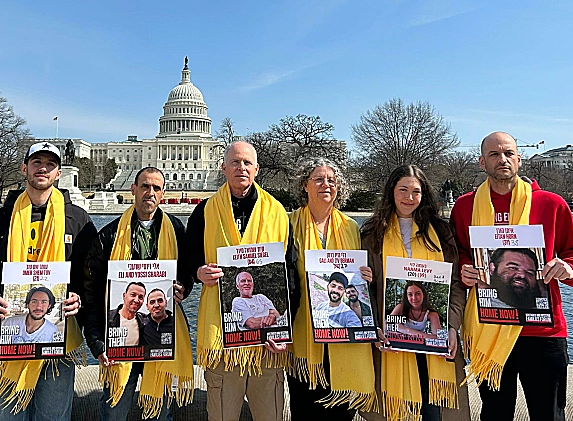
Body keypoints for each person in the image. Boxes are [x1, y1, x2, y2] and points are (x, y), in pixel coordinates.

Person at [451, 131, 573, 421]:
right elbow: (459, 254)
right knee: (495, 415)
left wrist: (568, 268)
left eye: (508, 154)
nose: (502, 159)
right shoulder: (465, 206)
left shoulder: (551, 204)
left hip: (543, 332)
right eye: (494, 154)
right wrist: (465, 268)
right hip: (489, 328)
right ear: (481, 162)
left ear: (519, 159)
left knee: (549, 415)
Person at [0, 142, 97, 421]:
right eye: (37, 162)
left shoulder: (77, 218)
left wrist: (77, 296)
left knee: (53, 416)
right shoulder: (2, 218)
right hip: (8, 332)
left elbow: (90, 273)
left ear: (58, 173)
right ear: (24, 168)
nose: (42, 168)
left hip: (60, 334)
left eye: (50, 164)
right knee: (7, 416)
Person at [186, 140, 299, 421]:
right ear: (223, 167)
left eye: (247, 162)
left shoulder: (278, 213)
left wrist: (285, 330)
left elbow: (290, 276)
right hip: (223, 341)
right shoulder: (205, 211)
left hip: (267, 347)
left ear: (257, 169)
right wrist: (198, 271)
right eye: (235, 162)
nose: (241, 167)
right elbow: (188, 257)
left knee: (270, 415)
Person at [84, 166, 194, 421]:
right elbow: (92, 290)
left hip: (161, 330)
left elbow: (187, 270)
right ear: (133, 189)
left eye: (156, 188)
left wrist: (183, 287)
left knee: (160, 409)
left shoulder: (176, 229)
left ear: (163, 194)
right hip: (121, 336)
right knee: (114, 409)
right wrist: (96, 340)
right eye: (145, 186)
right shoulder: (109, 234)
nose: (150, 193)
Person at [360, 165, 469, 421]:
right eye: (403, 190)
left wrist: (452, 327)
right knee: (395, 411)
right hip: (390, 343)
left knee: (435, 412)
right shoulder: (372, 233)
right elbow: (368, 288)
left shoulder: (441, 232)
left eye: (416, 191)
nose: (409, 197)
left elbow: (454, 284)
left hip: (435, 344)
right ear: (391, 192)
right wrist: (374, 325)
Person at [287, 157, 376, 419]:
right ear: (305, 185)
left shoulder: (350, 227)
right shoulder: (288, 223)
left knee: (341, 414)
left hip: (344, 335)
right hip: (304, 335)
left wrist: (364, 275)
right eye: (318, 179)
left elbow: (356, 277)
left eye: (332, 180)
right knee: (305, 409)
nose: (326, 185)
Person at [480, 248, 545, 309]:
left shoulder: (548, 297)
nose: (522, 275)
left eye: (529, 273)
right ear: (492, 268)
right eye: (513, 268)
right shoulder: (479, 300)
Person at [107, 282, 147, 346]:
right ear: (124, 296)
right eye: (133, 295)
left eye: (140, 297)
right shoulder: (107, 318)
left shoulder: (145, 321)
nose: (136, 300)